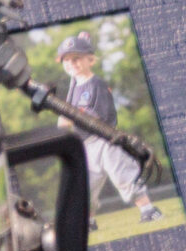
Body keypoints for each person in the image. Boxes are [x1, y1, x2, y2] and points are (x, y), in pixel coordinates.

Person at [58, 32, 162, 226]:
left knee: (123, 175)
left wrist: (71, 117)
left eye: (76, 58)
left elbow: (98, 117)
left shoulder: (96, 84)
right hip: (85, 145)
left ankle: (149, 210)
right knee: (85, 186)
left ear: (90, 60)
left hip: (105, 140)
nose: (71, 63)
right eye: (66, 60)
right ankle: (89, 222)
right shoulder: (76, 85)